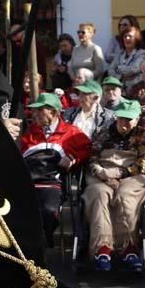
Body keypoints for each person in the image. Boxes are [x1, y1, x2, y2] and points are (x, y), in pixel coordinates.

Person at [84, 99, 145, 272]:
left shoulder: (142, 134)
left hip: (131, 174)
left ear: (137, 119)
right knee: (98, 194)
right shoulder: (103, 132)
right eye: (121, 118)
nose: (124, 123)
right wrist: (101, 172)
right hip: (102, 173)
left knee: (125, 197)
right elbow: (92, 157)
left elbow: (143, 163)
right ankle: (102, 249)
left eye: (128, 119)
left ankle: (129, 247)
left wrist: (120, 174)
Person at [20, 92, 92, 246]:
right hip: (25, 183)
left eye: (40, 110)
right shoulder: (28, 133)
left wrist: (73, 158)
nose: (35, 114)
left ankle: (42, 243)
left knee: (48, 211)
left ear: (53, 112)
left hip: (53, 184)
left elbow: (88, 148)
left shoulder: (71, 132)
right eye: (35, 110)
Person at [107, 24, 145, 93]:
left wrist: (118, 68)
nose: (127, 38)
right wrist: (121, 77)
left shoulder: (141, 53)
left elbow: (134, 69)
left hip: (135, 88)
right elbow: (110, 70)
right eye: (125, 36)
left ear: (136, 38)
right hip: (119, 87)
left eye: (130, 36)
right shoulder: (120, 53)